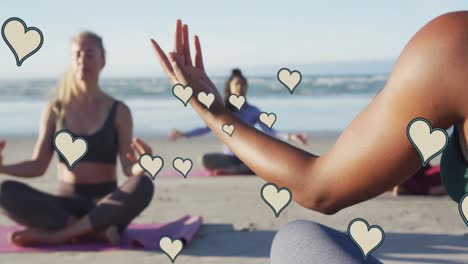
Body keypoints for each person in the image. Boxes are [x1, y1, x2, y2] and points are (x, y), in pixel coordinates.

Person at [150, 12, 468, 263]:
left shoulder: (453, 45)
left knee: (298, 240)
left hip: (245, 151)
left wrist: (214, 114)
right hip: (232, 154)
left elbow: (318, 188)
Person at [0, 31, 155, 247]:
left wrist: (143, 165)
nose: (83, 60)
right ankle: (89, 232)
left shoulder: (119, 111)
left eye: (89, 54)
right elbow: (37, 166)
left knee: (144, 184)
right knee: (4, 191)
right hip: (64, 207)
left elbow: (129, 168)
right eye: (77, 55)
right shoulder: (56, 110)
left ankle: (58, 236)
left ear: (103, 60)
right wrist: (2, 167)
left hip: (106, 206)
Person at [169, 68, 308, 175]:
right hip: (228, 158)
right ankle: (235, 169)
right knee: (203, 160)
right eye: (236, 84)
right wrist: (184, 134)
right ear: (229, 87)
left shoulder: (253, 111)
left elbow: (270, 131)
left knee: (262, 162)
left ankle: (233, 171)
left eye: (242, 85)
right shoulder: (223, 110)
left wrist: (291, 136)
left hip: (249, 157)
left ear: (246, 87)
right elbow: (206, 128)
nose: (239, 88)